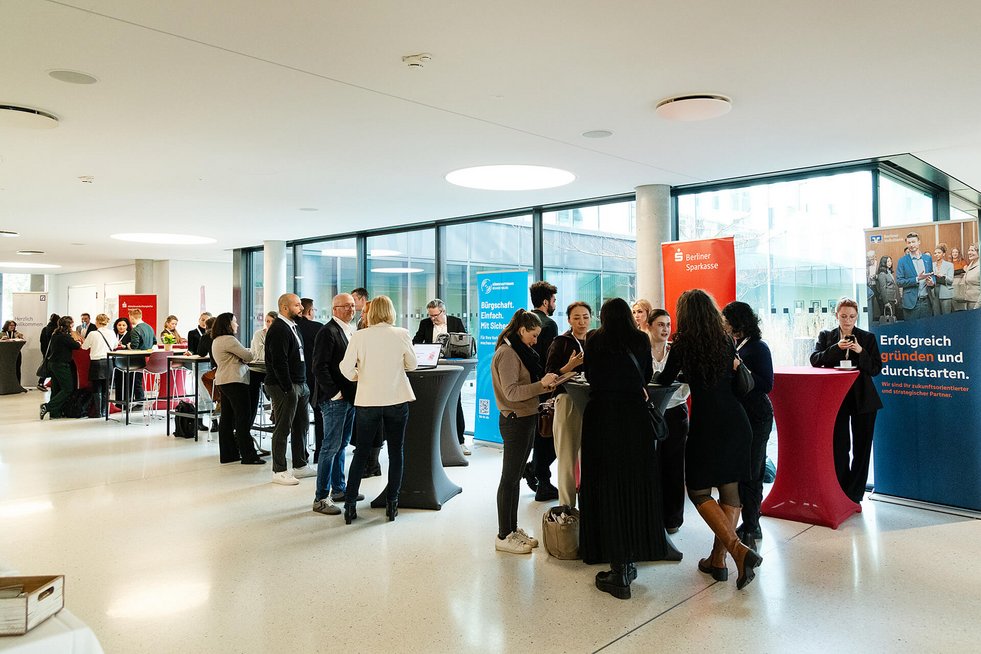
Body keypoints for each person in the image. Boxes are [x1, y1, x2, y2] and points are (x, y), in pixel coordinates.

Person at [654, 289, 762, 590]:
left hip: (708, 424)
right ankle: (718, 561)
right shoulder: (725, 341)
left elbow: (664, 381)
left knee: (699, 491)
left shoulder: (684, 343)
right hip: (737, 422)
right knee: (730, 492)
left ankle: (738, 551)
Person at [579, 298, 681, 600]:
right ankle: (632, 554)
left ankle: (616, 565)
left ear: (602, 317)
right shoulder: (640, 339)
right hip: (635, 419)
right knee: (634, 484)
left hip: (602, 419)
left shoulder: (594, 339)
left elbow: (591, 375)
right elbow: (646, 373)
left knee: (606, 485)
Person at [339, 295, 417, 524]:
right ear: (391, 311)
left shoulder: (359, 336)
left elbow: (345, 368)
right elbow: (412, 365)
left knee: (361, 452)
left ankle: (350, 504)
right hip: (396, 399)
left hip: (367, 402)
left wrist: (359, 376)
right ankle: (392, 504)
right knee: (396, 452)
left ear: (371, 312)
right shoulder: (401, 334)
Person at [491, 309, 558, 554]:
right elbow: (512, 392)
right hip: (515, 420)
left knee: (515, 477)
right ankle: (503, 534)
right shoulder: (508, 354)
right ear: (521, 331)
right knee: (509, 479)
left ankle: (511, 529)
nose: (536, 341)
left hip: (524, 418)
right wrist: (540, 385)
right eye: (533, 335)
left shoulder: (517, 351)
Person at [809, 297, 883, 503]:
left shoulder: (867, 338)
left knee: (862, 447)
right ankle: (841, 490)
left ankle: (855, 494)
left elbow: (876, 369)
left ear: (857, 316)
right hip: (836, 399)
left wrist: (860, 351)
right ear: (836, 316)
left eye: (851, 317)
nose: (847, 320)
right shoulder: (826, 336)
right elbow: (815, 360)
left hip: (863, 399)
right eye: (843, 316)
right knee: (839, 446)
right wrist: (837, 348)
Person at [721, 302, 774, 551]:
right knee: (745, 470)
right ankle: (750, 522)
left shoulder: (758, 348)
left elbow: (766, 384)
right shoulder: (735, 345)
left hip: (758, 416)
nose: (723, 323)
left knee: (753, 472)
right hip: (742, 416)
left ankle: (752, 525)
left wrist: (741, 369)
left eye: (726, 319)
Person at [311, 293, 359, 516]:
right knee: (330, 446)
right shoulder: (327, 332)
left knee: (342, 444)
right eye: (346, 306)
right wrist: (335, 393)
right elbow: (319, 367)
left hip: (349, 398)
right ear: (334, 309)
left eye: (352, 306)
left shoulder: (350, 330)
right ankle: (321, 497)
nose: (351, 310)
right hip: (334, 400)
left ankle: (339, 489)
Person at [264, 293, 316, 485]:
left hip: (300, 383)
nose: (301, 308)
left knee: (301, 426)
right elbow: (279, 362)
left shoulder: (294, 326)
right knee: (283, 427)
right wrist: (287, 388)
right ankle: (279, 470)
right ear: (285, 308)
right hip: (284, 386)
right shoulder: (278, 329)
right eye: (297, 305)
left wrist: (302, 384)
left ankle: (300, 466)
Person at [544, 301, 591, 507]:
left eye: (586, 317)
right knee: (567, 456)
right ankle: (567, 508)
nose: (582, 322)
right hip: (568, 400)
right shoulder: (561, 342)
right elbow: (549, 375)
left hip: (592, 402)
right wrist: (570, 366)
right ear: (569, 320)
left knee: (590, 455)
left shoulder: (595, 340)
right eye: (577, 317)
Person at [648, 308, 690, 534]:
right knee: (652, 465)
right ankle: (652, 515)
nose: (665, 329)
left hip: (675, 411)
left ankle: (673, 519)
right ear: (649, 326)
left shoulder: (677, 351)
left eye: (668, 325)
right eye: (660, 324)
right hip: (650, 413)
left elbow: (685, 384)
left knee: (674, 466)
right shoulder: (642, 350)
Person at [413, 298, 470, 454]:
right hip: (432, 368)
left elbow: (464, 342)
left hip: (452, 367)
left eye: (435, 315)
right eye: (430, 315)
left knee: (454, 402)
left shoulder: (455, 322)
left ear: (443, 311)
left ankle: (460, 441)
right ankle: (433, 441)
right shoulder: (425, 324)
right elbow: (416, 342)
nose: (433, 318)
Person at [211, 312, 264, 465]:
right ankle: (249, 455)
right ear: (228, 324)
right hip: (235, 380)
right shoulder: (229, 340)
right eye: (235, 321)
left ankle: (229, 454)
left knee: (227, 419)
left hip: (223, 380)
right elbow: (249, 357)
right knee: (243, 418)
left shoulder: (217, 340)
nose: (237, 324)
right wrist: (246, 354)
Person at [525, 280, 559, 500]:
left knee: (541, 432)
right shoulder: (549, 324)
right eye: (554, 300)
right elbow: (549, 359)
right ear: (546, 302)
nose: (555, 304)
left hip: (527, 386)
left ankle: (535, 470)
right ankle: (540, 476)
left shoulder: (524, 320)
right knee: (550, 433)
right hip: (545, 385)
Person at [296, 298, 325, 462]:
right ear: (309, 311)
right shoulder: (318, 328)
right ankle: (319, 453)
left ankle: (301, 454)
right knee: (320, 415)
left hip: (298, 377)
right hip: (314, 377)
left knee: (299, 418)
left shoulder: (292, 328)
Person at [40, 316, 82, 419]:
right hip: (61, 365)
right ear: (70, 325)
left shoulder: (55, 334)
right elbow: (77, 346)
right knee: (68, 388)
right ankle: (48, 406)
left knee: (56, 388)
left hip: (53, 364)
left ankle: (55, 413)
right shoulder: (65, 336)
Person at [80, 313, 117, 418]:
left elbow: (84, 347)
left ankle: (98, 412)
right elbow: (114, 346)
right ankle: (105, 411)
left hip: (96, 362)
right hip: (108, 362)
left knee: (96, 387)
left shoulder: (92, 334)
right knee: (106, 387)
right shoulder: (112, 333)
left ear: (96, 322)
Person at [896, 231, 935, 320]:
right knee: (912, 331)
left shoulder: (927, 258)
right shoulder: (902, 261)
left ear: (919, 242)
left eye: (913, 242)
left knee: (927, 331)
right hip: (911, 303)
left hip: (927, 302)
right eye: (909, 243)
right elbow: (899, 282)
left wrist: (932, 282)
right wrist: (917, 279)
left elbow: (932, 275)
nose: (911, 245)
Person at [953, 243, 979, 310]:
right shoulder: (971, 264)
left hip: (977, 302)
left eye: (972, 250)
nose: (969, 252)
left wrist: (977, 306)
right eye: (969, 250)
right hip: (968, 300)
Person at [931, 244, 955, 315]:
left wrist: (943, 276)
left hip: (946, 293)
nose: (937, 255)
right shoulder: (932, 265)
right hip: (934, 294)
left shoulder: (949, 265)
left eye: (939, 253)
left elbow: (951, 280)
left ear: (943, 254)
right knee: (936, 316)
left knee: (946, 317)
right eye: (935, 253)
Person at [38, 313, 59, 389]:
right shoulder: (57, 330)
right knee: (53, 369)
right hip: (54, 352)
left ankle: (41, 382)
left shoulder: (45, 329)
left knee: (46, 367)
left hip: (46, 351)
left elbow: (42, 341)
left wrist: (44, 352)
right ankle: (54, 384)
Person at [2, 320, 26, 384]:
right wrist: (1, 339)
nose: (13, 326)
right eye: (11, 325)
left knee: (17, 369)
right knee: (6, 370)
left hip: (16, 354)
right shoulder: (2, 334)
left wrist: (21, 338)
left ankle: (18, 385)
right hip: (6, 355)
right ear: (7, 325)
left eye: (14, 325)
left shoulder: (17, 333)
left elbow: (23, 342)